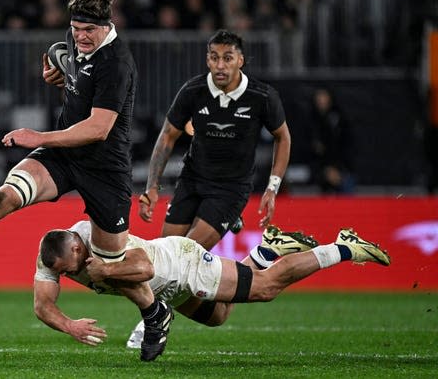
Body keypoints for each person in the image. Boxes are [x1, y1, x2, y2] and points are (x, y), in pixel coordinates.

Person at [0, 0, 171, 362]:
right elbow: (73, 72)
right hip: (63, 156)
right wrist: (59, 76)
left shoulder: (117, 62)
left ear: (107, 25)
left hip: (104, 168)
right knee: (2, 199)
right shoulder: (77, 40)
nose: (80, 37)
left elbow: (98, 128)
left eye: (88, 31)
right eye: (75, 29)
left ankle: (154, 312)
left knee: (108, 267)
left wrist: (37, 136)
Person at [34, 220, 390, 355]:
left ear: (78, 248)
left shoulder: (97, 239)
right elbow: (42, 304)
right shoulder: (52, 254)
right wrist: (69, 325)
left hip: (181, 267)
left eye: (72, 268)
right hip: (167, 289)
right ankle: (268, 249)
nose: (70, 275)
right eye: (65, 273)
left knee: (265, 289)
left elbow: (143, 266)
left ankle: (341, 246)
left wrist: (106, 268)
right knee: (218, 316)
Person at [138, 29, 291, 250]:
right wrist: (151, 187)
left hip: (230, 188)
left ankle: (229, 218)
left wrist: (272, 187)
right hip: (192, 180)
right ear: (207, 60)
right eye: (214, 57)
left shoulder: (262, 96)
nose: (220, 65)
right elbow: (167, 136)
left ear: (240, 60)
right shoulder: (193, 91)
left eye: (227, 58)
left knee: (185, 254)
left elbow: (282, 137)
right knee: (166, 254)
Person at [309, 87, 354, 194]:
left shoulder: (339, 119)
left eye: (324, 97)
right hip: (317, 168)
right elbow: (311, 148)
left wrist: (337, 169)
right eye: (319, 98)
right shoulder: (310, 120)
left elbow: (344, 146)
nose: (321, 101)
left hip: (340, 167)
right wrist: (325, 170)